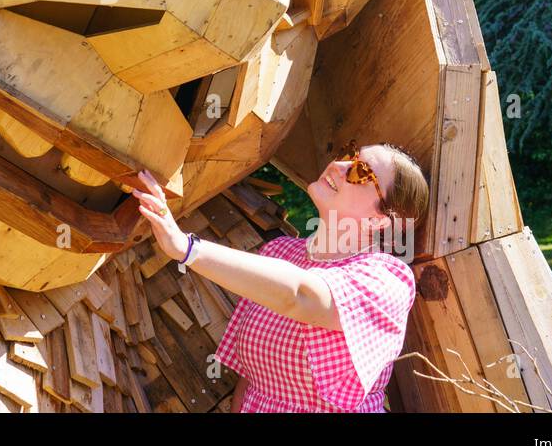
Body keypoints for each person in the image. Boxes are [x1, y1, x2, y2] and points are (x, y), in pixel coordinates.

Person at [133, 142, 429, 413]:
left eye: (361, 172)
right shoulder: (280, 253)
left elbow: (299, 296)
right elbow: (250, 382)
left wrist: (186, 248)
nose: (339, 166)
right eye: (349, 155)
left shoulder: (387, 279)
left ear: (379, 220)